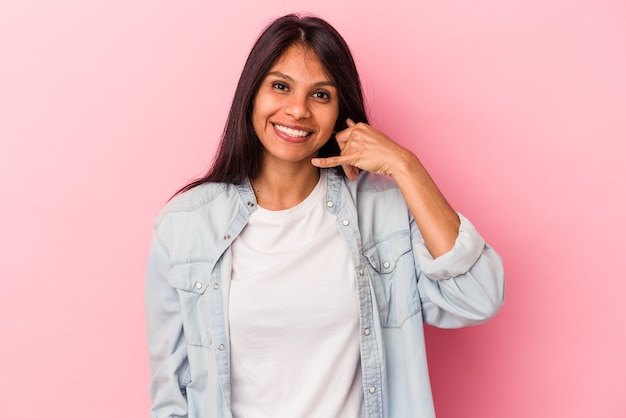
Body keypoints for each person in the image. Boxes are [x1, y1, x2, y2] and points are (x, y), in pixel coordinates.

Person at [145, 13, 505, 418]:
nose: (297, 110)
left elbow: (478, 298)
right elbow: (171, 394)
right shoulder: (184, 227)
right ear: (251, 95)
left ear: (339, 110)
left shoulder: (381, 211)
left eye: (320, 95)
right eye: (280, 87)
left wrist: (406, 166)